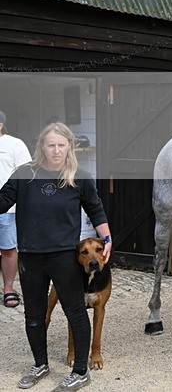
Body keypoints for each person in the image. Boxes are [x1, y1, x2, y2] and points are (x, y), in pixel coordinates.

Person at [0, 122, 111, 391]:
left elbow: (96, 209)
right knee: (34, 315)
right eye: (51, 145)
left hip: (64, 256)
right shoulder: (24, 174)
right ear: (41, 146)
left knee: (75, 311)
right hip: (31, 255)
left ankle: (81, 371)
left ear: (69, 146)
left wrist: (106, 239)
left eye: (62, 145)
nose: (56, 150)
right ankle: (40, 364)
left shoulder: (79, 176)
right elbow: (2, 201)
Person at [0, 110, 32, 309]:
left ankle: (8, 288)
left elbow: (26, 175)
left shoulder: (15, 144)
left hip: (7, 208)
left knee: (9, 249)